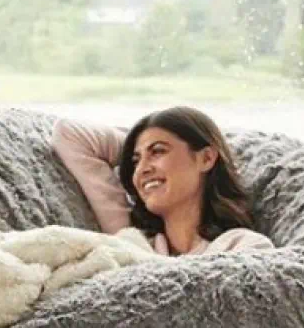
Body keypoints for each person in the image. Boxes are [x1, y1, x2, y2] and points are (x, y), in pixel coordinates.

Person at [52, 106, 274, 256]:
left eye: (158, 151)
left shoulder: (242, 247)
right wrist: (137, 148)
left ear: (206, 157)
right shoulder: (132, 242)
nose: (141, 169)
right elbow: (69, 134)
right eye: (135, 161)